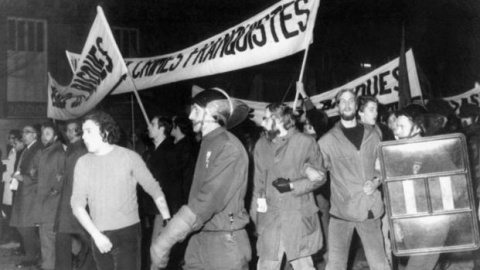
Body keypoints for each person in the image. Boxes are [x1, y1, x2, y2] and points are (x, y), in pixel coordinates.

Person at [151, 88, 251, 269]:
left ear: (212, 112)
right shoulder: (208, 143)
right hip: (200, 238)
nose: (190, 117)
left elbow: (208, 199)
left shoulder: (228, 146)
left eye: (196, 110)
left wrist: (167, 238)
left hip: (224, 245)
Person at [71, 110, 170, 270]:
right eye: (83, 132)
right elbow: (77, 204)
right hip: (99, 234)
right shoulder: (82, 163)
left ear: (105, 131)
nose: (83, 137)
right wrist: (96, 235)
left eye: (88, 131)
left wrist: (166, 219)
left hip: (128, 234)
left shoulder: (129, 157)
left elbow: (153, 188)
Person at [317, 89, 390, 270]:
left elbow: (381, 166)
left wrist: (376, 181)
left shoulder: (373, 134)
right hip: (341, 212)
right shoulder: (326, 141)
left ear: (357, 106)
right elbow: (316, 171)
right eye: (343, 101)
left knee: (380, 264)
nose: (347, 105)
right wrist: (307, 170)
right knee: (335, 266)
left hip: (369, 209)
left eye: (351, 101)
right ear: (337, 106)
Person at [250, 102, 324, 270]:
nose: (262, 123)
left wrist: (292, 186)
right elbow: (258, 186)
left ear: (279, 120)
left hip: (298, 219)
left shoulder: (305, 142)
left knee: (304, 267)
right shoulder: (261, 145)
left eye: (266, 119)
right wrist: (257, 219)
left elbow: (320, 178)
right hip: (270, 221)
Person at [55, 120, 95, 270]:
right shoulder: (70, 148)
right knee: (62, 235)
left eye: (73, 130)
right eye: (68, 130)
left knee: (85, 235)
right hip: (67, 198)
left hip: (78, 198)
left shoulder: (84, 148)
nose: (70, 133)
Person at [142, 115, 176, 269]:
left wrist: (166, 215)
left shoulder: (169, 152)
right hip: (153, 209)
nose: (149, 127)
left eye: (152, 124)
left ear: (162, 128)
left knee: (157, 253)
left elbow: (170, 185)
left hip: (163, 210)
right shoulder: (153, 151)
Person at [32, 122, 65, 270]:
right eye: (43, 134)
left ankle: (49, 267)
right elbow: (35, 173)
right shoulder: (45, 151)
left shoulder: (58, 153)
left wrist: (54, 193)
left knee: (48, 241)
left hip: (51, 204)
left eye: (48, 134)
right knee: (47, 239)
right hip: (43, 203)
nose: (44, 137)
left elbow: (62, 176)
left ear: (55, 136)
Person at [9, 125, 43, 268]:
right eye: (23, 132)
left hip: (31, 193)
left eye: (26, 132)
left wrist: (23, 177)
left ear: (35, 135)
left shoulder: (38, 149)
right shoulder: (27, 149)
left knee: (26, 227)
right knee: (21, 226)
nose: (23, 134)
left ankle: (32, 257)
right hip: (23, 192)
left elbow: (40, 173)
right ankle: (36, 254)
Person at [0, 130, 21, 247]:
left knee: (12, 212)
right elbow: (8, 166)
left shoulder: (18, 152)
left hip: (14, 185)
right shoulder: (11, 151)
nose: (10, 140)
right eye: (9, 138)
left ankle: (15, 239)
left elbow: (15, 170)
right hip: (7, 185)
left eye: (12, 138)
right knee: (7, 211)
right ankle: (11, 238)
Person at [171, 115, 197, 205]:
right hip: (178, 192)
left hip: (182, 194)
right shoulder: (176, 145)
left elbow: (181, 171)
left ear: (177, 127)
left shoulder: (186, 147)